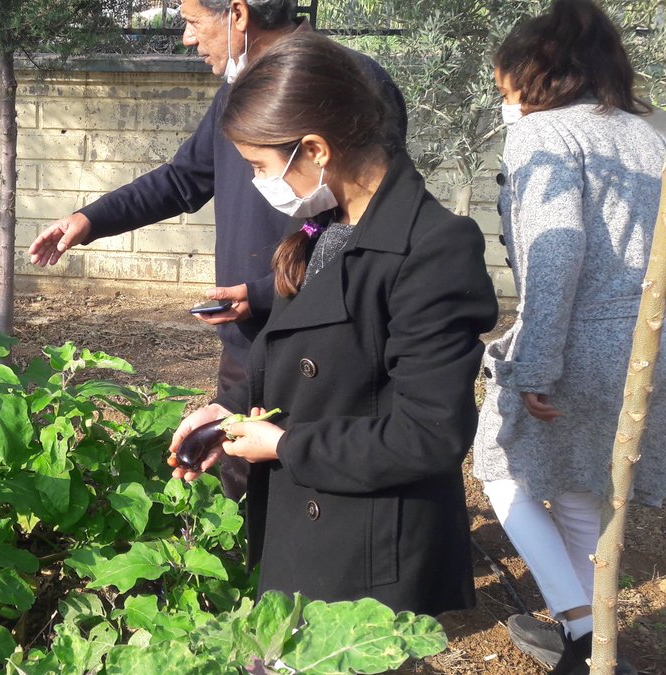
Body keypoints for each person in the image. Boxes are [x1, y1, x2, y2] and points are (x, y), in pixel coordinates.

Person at [167, 31, 498, 615]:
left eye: (260, 166)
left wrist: (284, 444)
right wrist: (230, 414)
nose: (257, 183)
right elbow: (300, 360)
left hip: (368, 548)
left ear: (316, 150)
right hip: (312, 521)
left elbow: (430, 435)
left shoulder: (433, 248)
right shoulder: (329, 225)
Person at [27, 0, 407, 501]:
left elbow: (367, 231)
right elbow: (184, 178)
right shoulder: (242, 87)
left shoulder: (347, 82)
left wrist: (267, 293)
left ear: (238, 13)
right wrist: (91, 219)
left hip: (324, 343)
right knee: (240, 489)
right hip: (247, 343)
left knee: (308, 491)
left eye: (191, 22)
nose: (187, 38)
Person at [472, 1, 666, 672]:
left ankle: (581, 634)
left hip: (577, 343)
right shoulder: (647, 132)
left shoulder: (543, 133)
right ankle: (595, 641)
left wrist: (535, 365)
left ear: (532, 74)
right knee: (582, 486)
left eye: (503, 85)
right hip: (646, 344)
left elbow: (556, 254)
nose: (504, 100)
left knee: (500, 470)